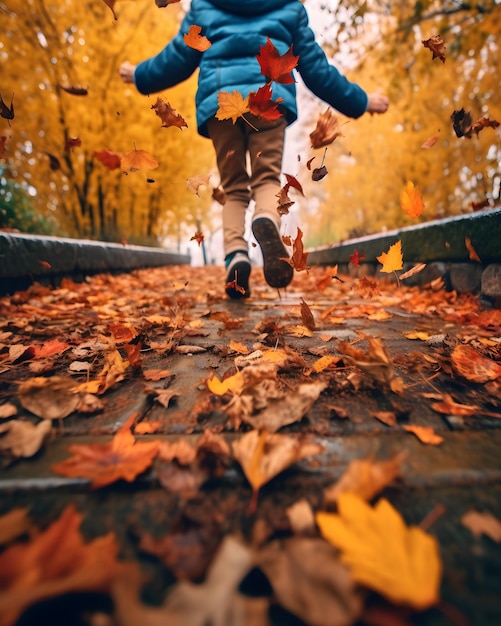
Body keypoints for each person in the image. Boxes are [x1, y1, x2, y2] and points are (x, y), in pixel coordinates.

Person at [119, 0, 389, 299]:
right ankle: (265, 219)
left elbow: (178, 57)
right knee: (266, 180)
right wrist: (361, 102)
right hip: (270, 99)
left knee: (234, 188)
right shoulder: (290, 9)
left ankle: (236, 255)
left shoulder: (204, 7)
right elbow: (317, 69)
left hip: (220, 104)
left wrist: (141, 75)